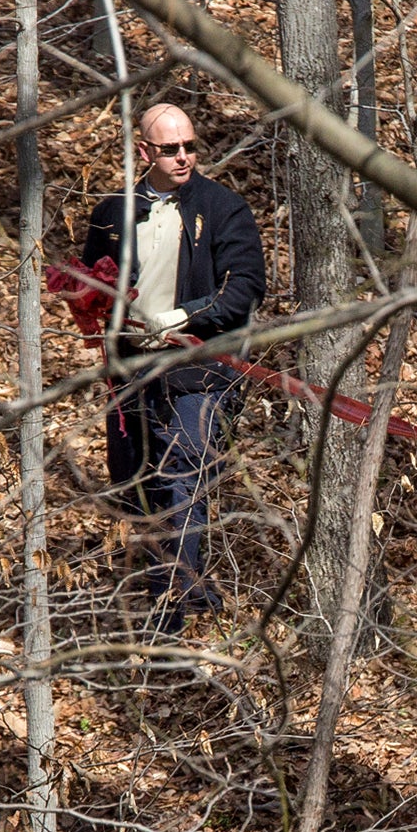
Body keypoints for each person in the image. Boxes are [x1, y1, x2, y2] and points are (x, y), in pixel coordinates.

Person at [82, 103, 267, 632]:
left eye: (189, 146)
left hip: (199, 368)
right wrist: (89, 302)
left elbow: (245, 288)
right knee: (133, 482)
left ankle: (172, 613)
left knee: (183, 477)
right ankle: (184, 587)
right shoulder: (113, 211)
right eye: (170, 149)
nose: (183, 156)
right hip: (130, 368)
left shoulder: (223, 207)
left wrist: (181, 316)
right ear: (144, 151)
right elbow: (93, 275)